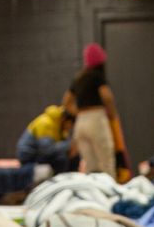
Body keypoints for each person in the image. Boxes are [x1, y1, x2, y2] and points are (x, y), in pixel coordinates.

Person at [63, 44, 120, 176]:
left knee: (90, 165)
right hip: (96, 119)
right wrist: (112, 113)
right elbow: (107, 96)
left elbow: (66, 101)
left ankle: (91, 192)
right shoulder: (97, 76)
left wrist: (79, 113)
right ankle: (110, 193)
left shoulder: (79, 78)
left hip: (81, 123)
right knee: (106, 162)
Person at [15, 104, 75, 173]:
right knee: (61, 159)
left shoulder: (60, 128)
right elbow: (46, 149)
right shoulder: (45, 123)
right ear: (65, 119)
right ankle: (61, 181)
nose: (70, 128)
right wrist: (70, 145)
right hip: (29, 156)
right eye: (71, 124)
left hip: (40, 153)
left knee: (68, 156)